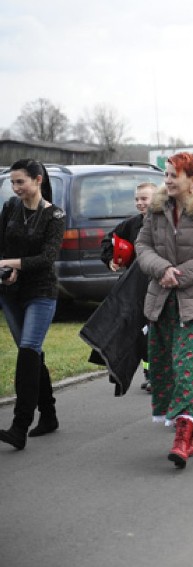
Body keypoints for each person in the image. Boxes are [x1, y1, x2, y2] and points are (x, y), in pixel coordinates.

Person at [135, 152, 193, 469]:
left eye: (174, 174)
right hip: (162, 303)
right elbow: (142, 246)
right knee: (170, 371)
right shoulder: (157, 209)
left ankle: (182, 439)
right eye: (166, 174)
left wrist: (182, 274)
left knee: (188, 372)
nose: (168, 180)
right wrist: (162, 269)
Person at [0, 159, 65, 449]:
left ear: (37, 180)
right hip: (11, 292)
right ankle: (48, 414)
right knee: (33, 355)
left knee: (27, 352)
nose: (15, 188)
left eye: (20, 182)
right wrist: (9, 269)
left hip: (41, 292)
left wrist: (11, 263)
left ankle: (19, 426)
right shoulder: (10, 208)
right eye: (12, 183)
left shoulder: (55, 215)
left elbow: (46, 259)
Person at [99, 181, 156, 391]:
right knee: (141, 332)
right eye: (137, 199)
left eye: (144, 199)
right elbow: (108, 241)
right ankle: (150, 374)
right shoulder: (131, 225)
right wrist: (110, 259)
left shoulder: (164, 223)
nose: (140, 203)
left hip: (160, 287)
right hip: (136, 289)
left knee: (156, 331)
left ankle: (161, 374)